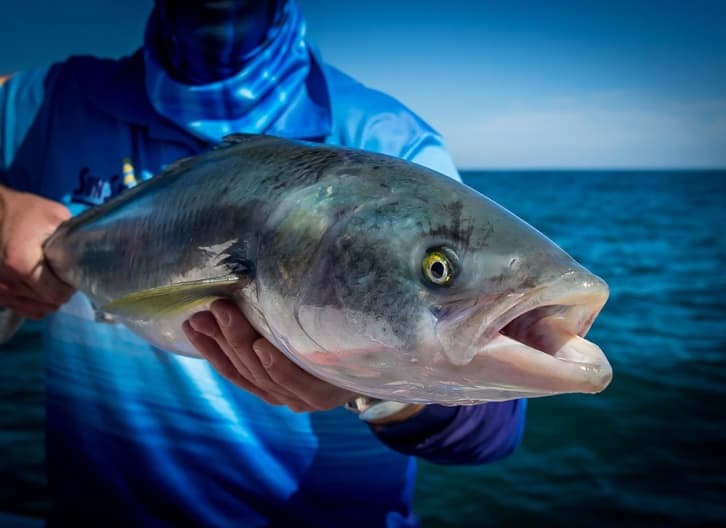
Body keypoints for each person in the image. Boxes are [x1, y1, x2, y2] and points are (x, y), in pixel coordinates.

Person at [0, 1, 527, 525]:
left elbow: (495, 430)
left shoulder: (388, 141)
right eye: (435, 267)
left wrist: (379, 392)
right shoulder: (47, 103)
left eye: (437, 268)